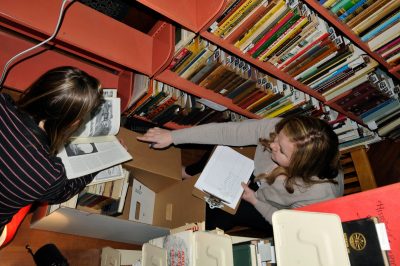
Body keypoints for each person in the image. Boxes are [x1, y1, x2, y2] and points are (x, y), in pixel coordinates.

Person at [137, 116, 344, 233]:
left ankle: (174, 230)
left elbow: (283, 221)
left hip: (269, 207)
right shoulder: (284, 131)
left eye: (281, 149)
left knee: (215, 215)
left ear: (300, 166)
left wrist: (255, 200)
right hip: (258, 179)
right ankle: (189, 173)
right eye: (277, 138)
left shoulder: (319, 195)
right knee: (222, 149)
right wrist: (173, 136)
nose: (271, 145)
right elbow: (229, 132)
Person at [0, 66, 103, 237]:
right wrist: (97, 163)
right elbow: (67, 190)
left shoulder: (3, 101)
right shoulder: (48, 174)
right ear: (71, 123)